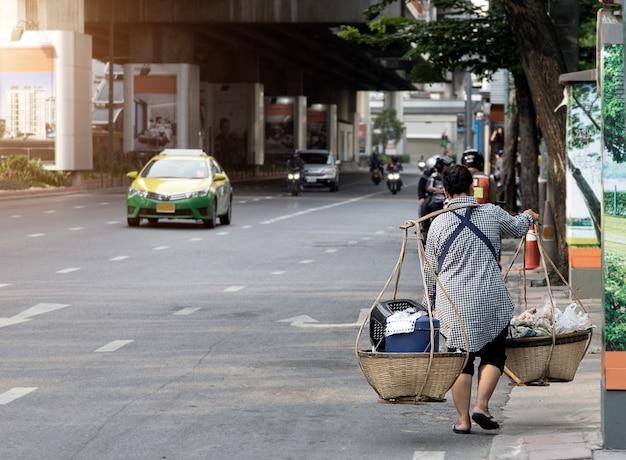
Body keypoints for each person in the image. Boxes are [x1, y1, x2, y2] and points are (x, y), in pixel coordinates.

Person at [421, 164, 538, 435]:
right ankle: (481, 407)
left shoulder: (437, 222)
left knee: (461, 359)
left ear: (445, 190)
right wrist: (529, 215)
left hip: (453, 303)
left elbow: (430, 271)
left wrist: (430, 305)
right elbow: (520, 226)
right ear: (472, 186)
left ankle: (462, 421)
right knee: (495, 353)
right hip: (489, 299)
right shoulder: (492, 213)